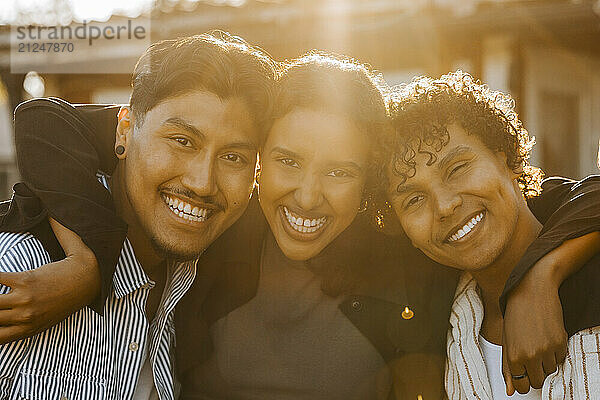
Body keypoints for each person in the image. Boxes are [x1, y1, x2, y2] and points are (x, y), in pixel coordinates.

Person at [2, 53, 599, 398]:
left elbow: (563, 197)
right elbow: (52, 121)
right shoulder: (210, 238)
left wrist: (541, 271)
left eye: (341, 171)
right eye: (287, 161)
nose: (308, 196)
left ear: (370, 186)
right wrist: (87, 264)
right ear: (258, 159)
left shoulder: (407, 248)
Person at [0, 32, 276, 399]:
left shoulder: (187, 286)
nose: (202, 183)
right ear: (125, 131)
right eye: (182, 140)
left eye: (233, 157)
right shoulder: (19, 274)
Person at [383, 70, 600, 399]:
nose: (444, 205)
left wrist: (541, 275)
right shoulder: (436, 320)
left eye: (457, 168)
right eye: (413, 200)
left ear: (506, 157)